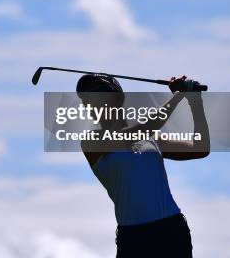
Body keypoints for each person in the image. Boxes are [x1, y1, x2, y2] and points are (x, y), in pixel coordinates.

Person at [77, 75, 210, 258]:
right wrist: (179, 95)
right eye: (86, 100)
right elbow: (146, 127)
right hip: (132, 238)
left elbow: (200, 149)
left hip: (170, 231)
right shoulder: (92, 141)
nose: (89, 105)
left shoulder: (150, 139)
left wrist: (195, 102)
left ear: (117, 98)